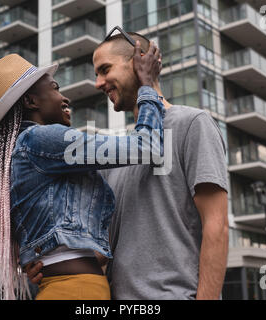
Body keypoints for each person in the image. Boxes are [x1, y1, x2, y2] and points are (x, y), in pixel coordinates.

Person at [26, 31, 229, 300]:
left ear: (139, 61)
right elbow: (102, 252)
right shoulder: (116, 156)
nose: (98, 83)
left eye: (105, 69)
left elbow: (217, 225)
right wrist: (49, 264)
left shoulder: (192, 124)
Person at [0, 41, 165, 300]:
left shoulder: (25, 152)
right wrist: (147, 85)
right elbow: (147, 147)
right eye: (54, 89)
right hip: (75, 290)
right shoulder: (41, 140)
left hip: (67, 287)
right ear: (31, 100)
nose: (64, 97)